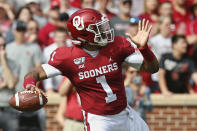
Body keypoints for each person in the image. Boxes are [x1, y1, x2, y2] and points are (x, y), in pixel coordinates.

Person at [23, 8, 159, 131]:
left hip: (125, 113)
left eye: (103, 26)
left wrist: (144, 49)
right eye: (98, 29)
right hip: (99, 120)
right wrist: (30, 83)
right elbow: (34, 73)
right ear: (84, 36)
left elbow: (152, 68)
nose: (105, 31)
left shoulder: (116, 45)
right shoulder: (68, 57)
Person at [0, 35, 20, 131]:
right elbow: (8, 82)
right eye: (0, 45)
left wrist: (3, 60)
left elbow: (11, 84)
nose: (2, 48)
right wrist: (4, 83)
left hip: (9, 108)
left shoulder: (14, 64)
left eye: (4, 45)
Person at [43, 28, 67, 93]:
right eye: (59, 37)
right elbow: (47, 70)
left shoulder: (71, 48)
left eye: (63, 37)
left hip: (67, 86)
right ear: (54, 38)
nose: (62, 39)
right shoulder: (48, 51)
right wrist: (49, 88)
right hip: (54, 87)